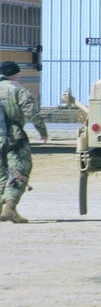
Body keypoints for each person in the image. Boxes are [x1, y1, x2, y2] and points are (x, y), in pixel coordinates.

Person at [0, 60, 47, 222]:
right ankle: (10, 207)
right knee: (20, 170)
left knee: (1, 174)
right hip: (14, 137)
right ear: (14, 74)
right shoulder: (17, 89)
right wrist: (42, 131)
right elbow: (31, 112)